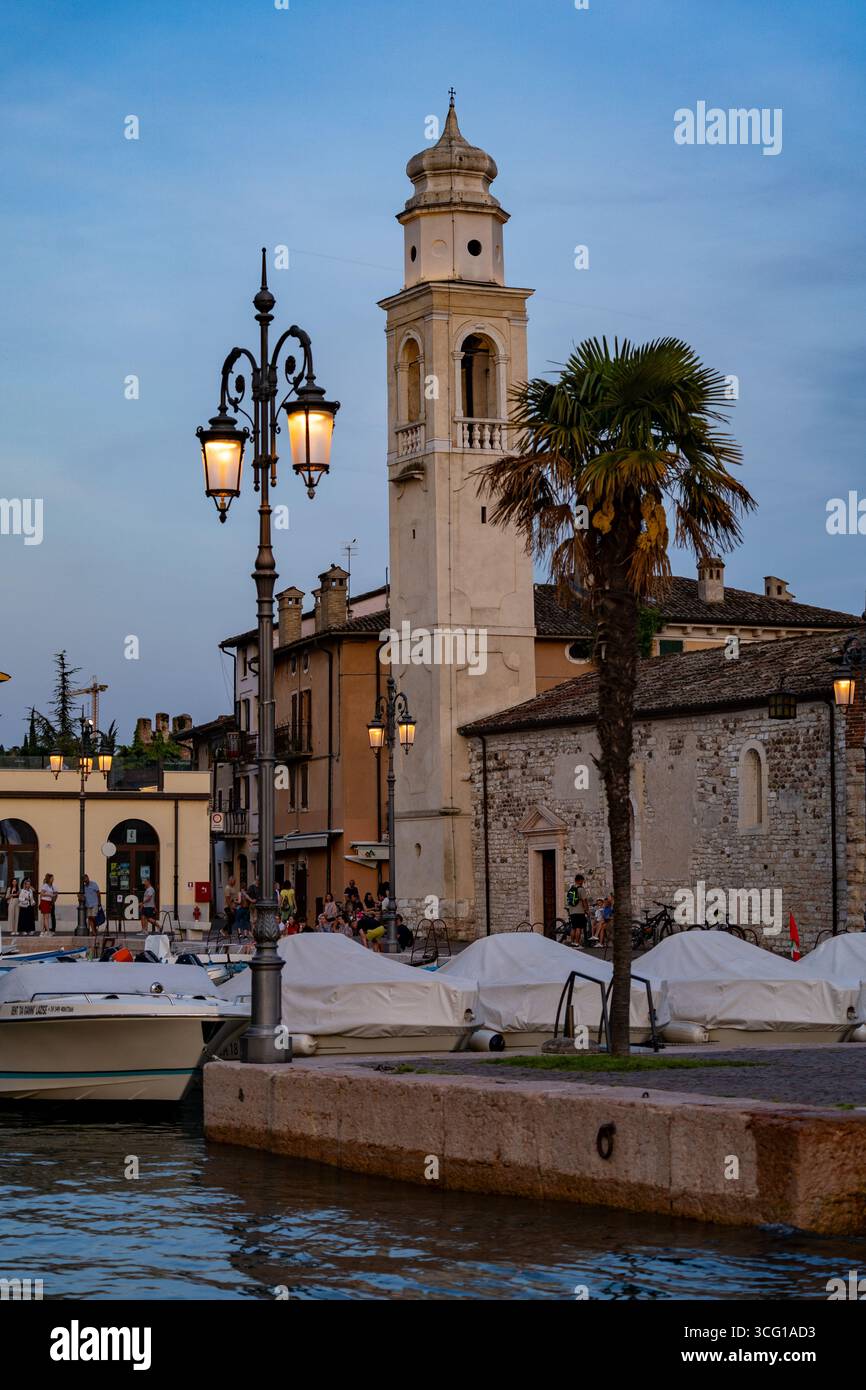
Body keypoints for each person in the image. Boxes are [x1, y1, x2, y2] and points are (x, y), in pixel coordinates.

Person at [566, 874, 591, 946]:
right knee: (579, 927)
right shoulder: (581, 889)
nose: (583, 882)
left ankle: (572, 942)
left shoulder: (571, 889)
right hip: (579, 911)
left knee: (573, 927)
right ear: (580, 880)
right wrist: (587, 910)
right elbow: (584, 900)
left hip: (572, 911)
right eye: (582, 881)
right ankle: (577, 943)